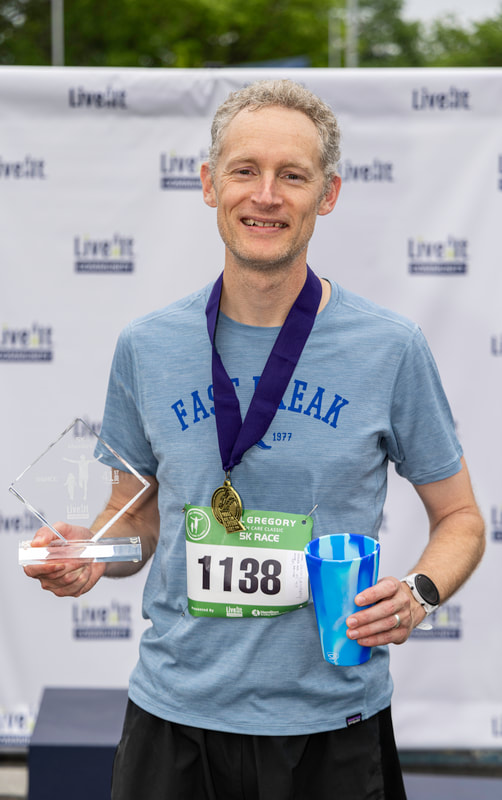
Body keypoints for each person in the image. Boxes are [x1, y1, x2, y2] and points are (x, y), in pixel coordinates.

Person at [25, 79, 485, 800]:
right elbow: (135, 518)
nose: (265, 195)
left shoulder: (390, 348)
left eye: (292, 175)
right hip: (175, 720)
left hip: (331, 725)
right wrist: (93, 553)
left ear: (327, 195)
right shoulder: (147, 346)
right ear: (210, 184)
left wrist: (419, 592)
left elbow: (460, 518)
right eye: (245, 170)